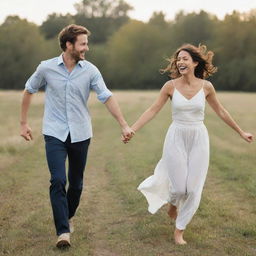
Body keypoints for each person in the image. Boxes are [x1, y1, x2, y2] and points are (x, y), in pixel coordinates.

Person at [123, 44, 253, 245]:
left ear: (195, 62)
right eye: (178, 59)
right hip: (176, 136)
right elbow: (152, 110)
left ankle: (179, 231)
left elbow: (221, 112)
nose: (180, 62)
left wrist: (241, 132)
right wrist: (133, 128)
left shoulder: (206, 87)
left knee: (193, 189)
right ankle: (173, 202)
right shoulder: (170, 86)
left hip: (199, 137)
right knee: (179, 188)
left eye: (185, 58)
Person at [20, 24, 134, 248]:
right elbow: (29, 89)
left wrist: (123, 124)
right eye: (83, 44)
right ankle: (63, 232)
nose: (87, 48)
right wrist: (23, 123)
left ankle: (68, 215)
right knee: (58, 180)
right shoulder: (46, 68)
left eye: (86, 43)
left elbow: (106, 96)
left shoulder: (90, 70)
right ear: (69, 45)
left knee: (77, 184)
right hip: (54, 132)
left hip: (81, 133)